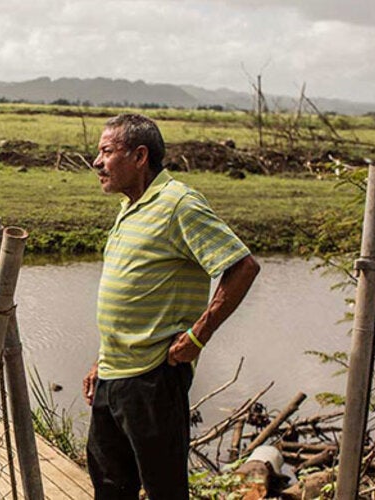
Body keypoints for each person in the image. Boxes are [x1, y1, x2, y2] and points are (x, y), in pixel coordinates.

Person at [83, 113, 260, 499]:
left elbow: (242, 266)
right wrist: (102, 359)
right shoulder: (131, 206)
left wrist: (200, 335)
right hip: (112, 377)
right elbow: (133, 293)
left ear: (140, 156)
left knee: (165, 491)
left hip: (154, 378)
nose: (96, 162)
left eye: (106, 151)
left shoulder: (178, 203)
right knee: (110, 488)